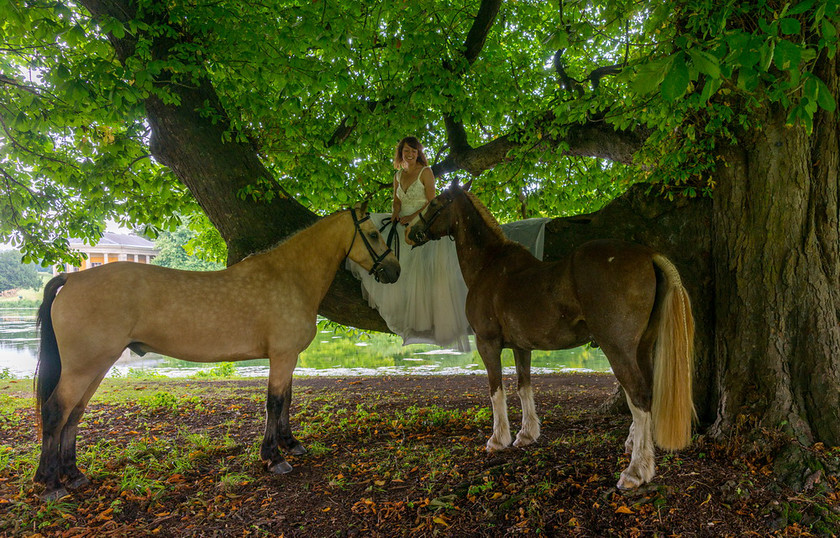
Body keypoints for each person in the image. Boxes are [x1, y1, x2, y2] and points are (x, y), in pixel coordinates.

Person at [349, 136, 471, 352]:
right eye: (407, 150)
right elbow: (396, 200)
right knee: (372, 233)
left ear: (419, 153)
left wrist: (413, 217)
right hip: (401, 220)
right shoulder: (398, 174)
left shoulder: (426, 172)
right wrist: (396, 213)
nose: (410, 154)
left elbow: (432, 202)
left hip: (423, 223)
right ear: (401, 153)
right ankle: (401, 310)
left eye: (414, 151)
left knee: (420, 272)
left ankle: (425, 319)